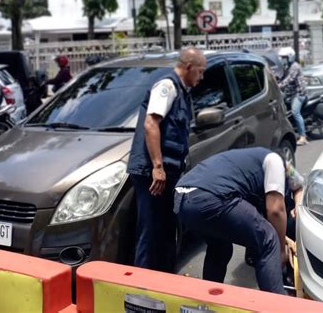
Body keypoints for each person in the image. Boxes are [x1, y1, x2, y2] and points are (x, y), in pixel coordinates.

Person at [173, 147, 304, 294]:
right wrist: (280, 251)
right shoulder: (275, 161)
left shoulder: (248, 161)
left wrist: (298, 205)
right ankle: (277, 306)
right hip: (210, 197)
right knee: (268, 239)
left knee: (220, 248)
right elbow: (275, 210)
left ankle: (208, 303)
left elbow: (298, 187)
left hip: (182, 200)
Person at [127, 47, 206, 272]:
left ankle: (165, 281)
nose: (201, 78)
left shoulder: (182, 91)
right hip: (152, 174)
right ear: (189, 67)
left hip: (167, 173)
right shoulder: (167, 86)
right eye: (200, 72)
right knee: (150, 231)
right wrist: (158, 167)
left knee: (166, 229)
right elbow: (151, 124)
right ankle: (141, 289)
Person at [278, 47, 309, 146]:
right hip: (291, 94)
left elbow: (289, 79)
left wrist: (279, 85)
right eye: (282, 57)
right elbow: (283, 78)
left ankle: (303, 137)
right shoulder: (288, 66)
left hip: (299, 94)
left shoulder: (295, 66)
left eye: (284, 57)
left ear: (290, 57)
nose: (282, 59)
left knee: (295, 112)